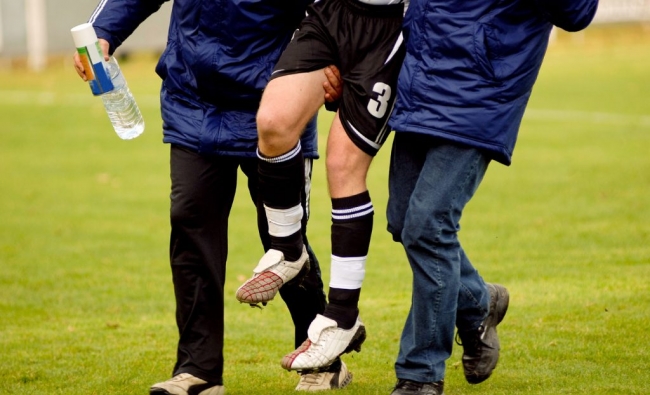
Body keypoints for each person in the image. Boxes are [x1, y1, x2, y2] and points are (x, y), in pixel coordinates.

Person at [72, 0, 349, 393]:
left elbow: (332, 14)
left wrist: (337, 72)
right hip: (193, 103)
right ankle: (199, 371)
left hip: (276, 110)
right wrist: (102, 32)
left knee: (284, 244)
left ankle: (323, 358)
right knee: (190, 227)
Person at [385, 1, 600, 394]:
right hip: (422, 84)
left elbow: (576, 13)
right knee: (403, 222)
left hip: (480, 94)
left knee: (428, 226)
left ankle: (420, 373)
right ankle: (478, 302)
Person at [233, 0, 408, 372]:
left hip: (389, 27)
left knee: (342, 166)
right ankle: (288, 249)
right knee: (273, 123)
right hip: (330, 11)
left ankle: (343, 315)